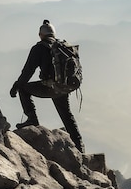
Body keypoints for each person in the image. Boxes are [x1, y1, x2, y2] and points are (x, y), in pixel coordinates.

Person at [10, 20, 84, 152]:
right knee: (67, 116)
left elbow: (27, 72)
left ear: (40, 35)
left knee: (23, 88)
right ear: (53, 34)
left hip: (51, 87)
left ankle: (32, 119)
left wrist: (16, 86)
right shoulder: (62, 46)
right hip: (64, 87)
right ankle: (80, 147)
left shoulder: (38, 48)